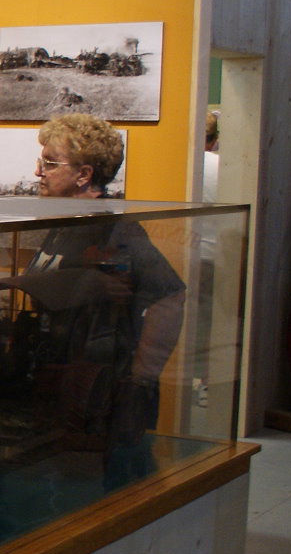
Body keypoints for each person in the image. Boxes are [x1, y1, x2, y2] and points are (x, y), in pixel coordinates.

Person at [31, 113, 185, 485]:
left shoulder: (117, 229)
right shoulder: (64, 225)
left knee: (88, 493)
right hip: (59, 388)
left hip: (94, 397)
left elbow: (170, 295)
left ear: (84, 175)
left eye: (50, 163)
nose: (38, 172)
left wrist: (140, 381)